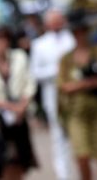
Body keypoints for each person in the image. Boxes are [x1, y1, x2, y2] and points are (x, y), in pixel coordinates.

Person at [58, 15, 97, 180]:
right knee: (81, 154)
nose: (80, 35)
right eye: (76, 32)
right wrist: (87, 83)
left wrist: (94, 82)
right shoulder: (67, 59)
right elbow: (63, 86)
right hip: (77, 111)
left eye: (82, 31)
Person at [0, 25, 38, 179]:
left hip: (20, 116)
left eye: (4, 38)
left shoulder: (19, 57)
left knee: (20, 159)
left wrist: (22, 105)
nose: (1, 43)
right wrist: (11, 107)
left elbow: (30, 83)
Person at [29, 9, 75, 180]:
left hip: (75, 97)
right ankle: (64, 175)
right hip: (54, 98)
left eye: (59, 20)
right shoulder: (39, 44)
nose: (57, 24)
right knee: (59, 138)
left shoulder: (71, 39)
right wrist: (57, 71)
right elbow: (35, 73)